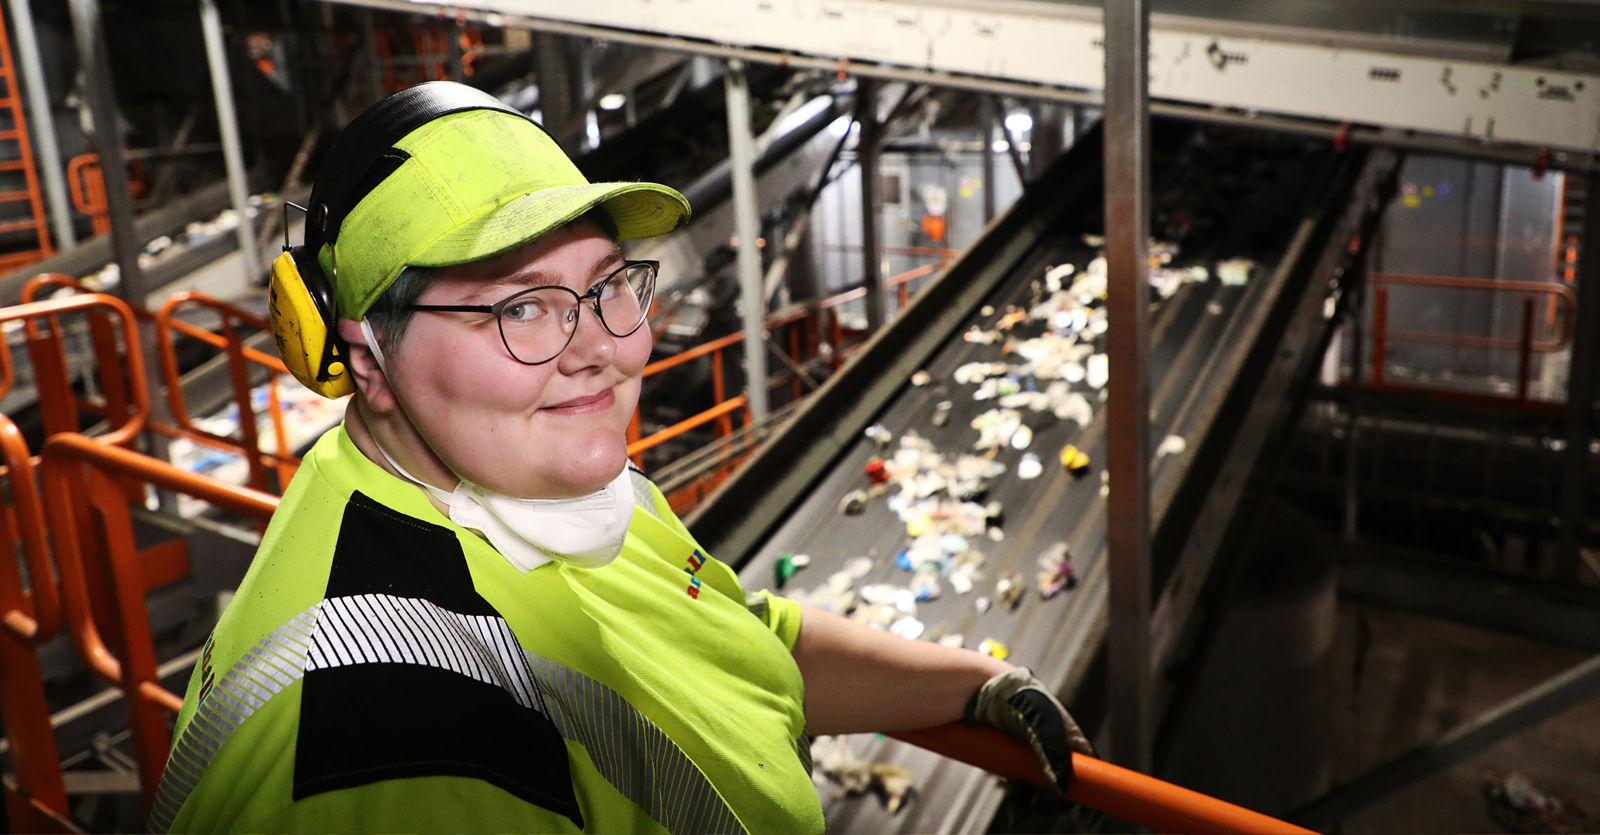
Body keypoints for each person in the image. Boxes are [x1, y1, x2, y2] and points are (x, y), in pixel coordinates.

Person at [152, 81, 1090, 834]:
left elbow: (733, 642)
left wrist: (969, 683)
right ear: (368, 358)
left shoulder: (547, 484)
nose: (601, 345)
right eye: (520, 306)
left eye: (606, 285)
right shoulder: (396, 753)